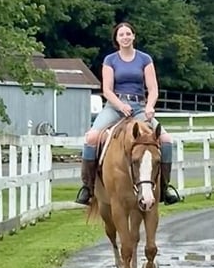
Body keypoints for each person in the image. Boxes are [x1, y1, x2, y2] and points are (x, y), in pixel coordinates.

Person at [75, 22, 180, 206]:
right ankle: (88, 187)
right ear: (116, 39)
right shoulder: (110, 60)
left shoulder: (144, 59)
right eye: (121, 34)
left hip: (139, 107)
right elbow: (107, 89)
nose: (125, 37)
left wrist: (150, 106)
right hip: (114, 106)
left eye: (128, 34)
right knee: (91, 138)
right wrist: (120, 105)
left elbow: (153, 88)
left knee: (166, 140)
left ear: (133, 36)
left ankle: (164, 187)